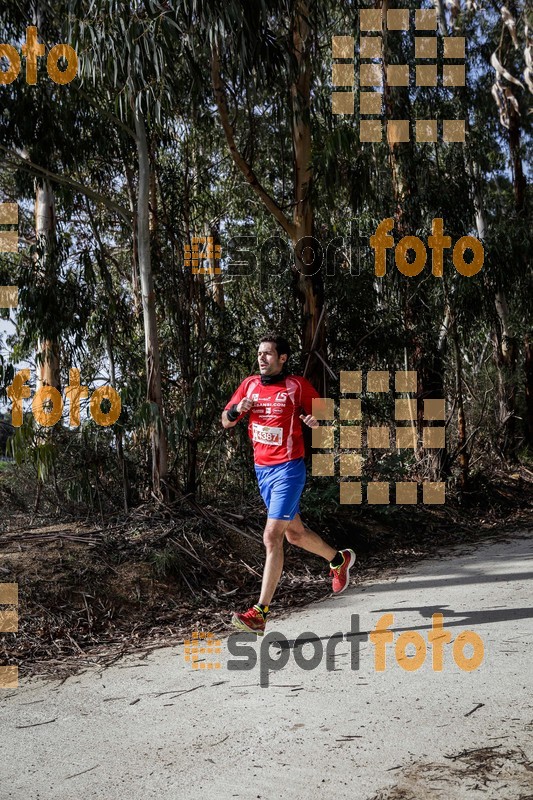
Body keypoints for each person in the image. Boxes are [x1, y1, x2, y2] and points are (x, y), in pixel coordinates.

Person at [221, 332, 356, 635]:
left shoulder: (296, 386)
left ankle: (259, 613)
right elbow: (225, 420)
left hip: (289, 469)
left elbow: (325, 413)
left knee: (272, 536)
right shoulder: (249, 385)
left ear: (282, 358)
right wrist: (237, 410)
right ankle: (338, 559)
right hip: (262, 471)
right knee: (294, 534)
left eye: (268, 353)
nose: (262, 358)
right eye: (259, 353)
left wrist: (316, 422)